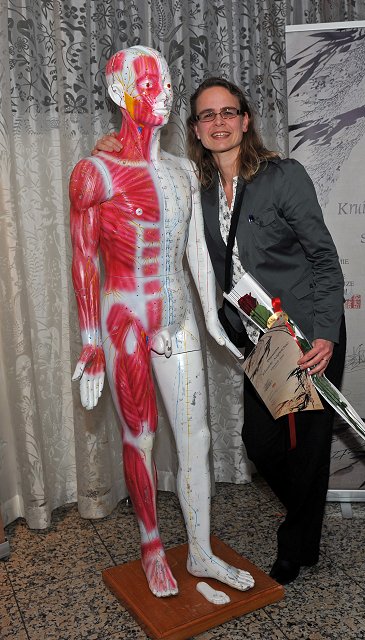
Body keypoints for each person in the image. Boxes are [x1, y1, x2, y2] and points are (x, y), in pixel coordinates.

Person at [94, 76, 346, 585]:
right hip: (261, 341)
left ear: (245, 120)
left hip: (305, 334)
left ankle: (297, 545)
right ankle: (305, 514)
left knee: (310, 446)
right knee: (261, 445)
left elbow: (323, 258)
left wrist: (324, 334)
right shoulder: (198, 186)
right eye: (207, 115)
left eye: (228, 112)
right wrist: (113, 145)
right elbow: (150, 171)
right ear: (194, 128)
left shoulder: (283, 176)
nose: (219, 122)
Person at [70, 46, 254, 598]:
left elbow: (195, 249)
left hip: (177, 320)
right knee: (141, 437)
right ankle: (152, 547)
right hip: (124, 319)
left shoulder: (182, 170)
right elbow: (83, 258)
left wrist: (214, 320)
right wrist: (89, 342)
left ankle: (199, 549)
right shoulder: (94, 173)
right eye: (150, 85)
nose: (165, 95)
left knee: (197, 435)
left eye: (168, 84)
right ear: (119, 92)